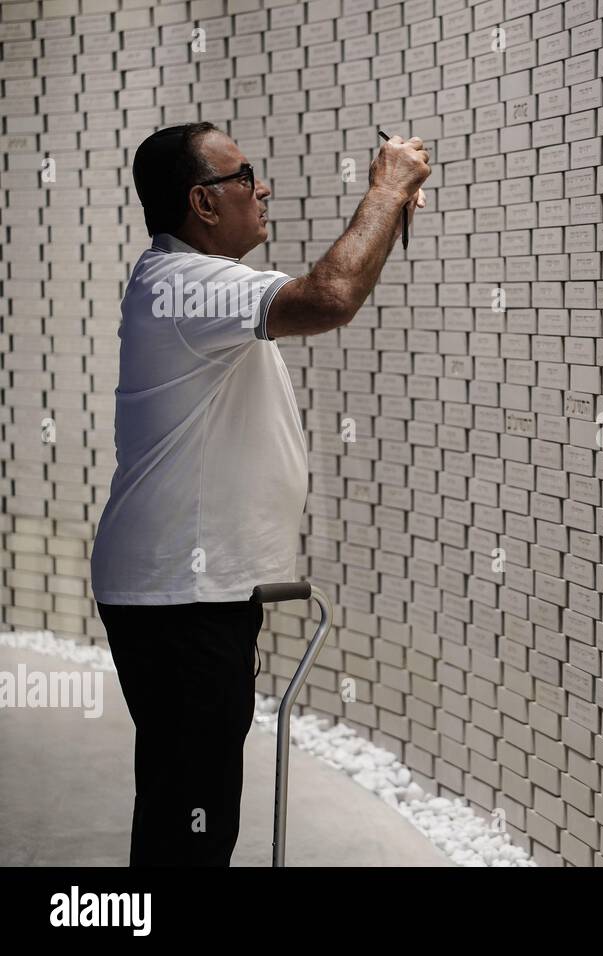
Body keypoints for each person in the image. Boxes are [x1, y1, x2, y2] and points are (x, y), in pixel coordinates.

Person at [90, 122, 430, 866]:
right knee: (193, 818)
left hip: (192, 591)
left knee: (191, 803)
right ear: (203, 203)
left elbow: (333, 292)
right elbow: (332, 296)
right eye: (245, 175)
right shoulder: (184, 285)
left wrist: (386, 209)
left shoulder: (197, 286)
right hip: (181, 594)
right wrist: (385, 188)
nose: (263, 187)